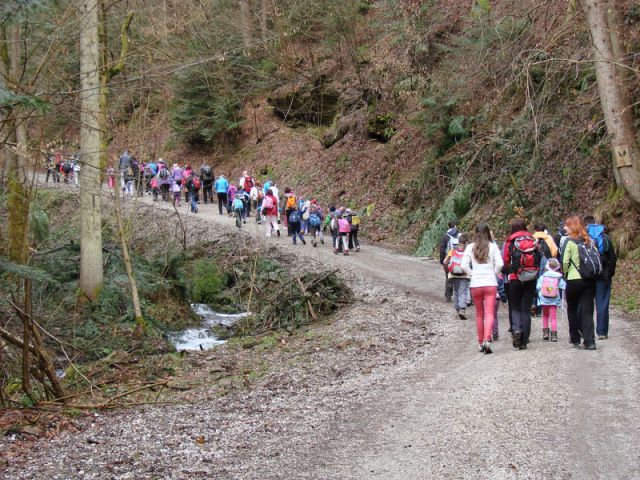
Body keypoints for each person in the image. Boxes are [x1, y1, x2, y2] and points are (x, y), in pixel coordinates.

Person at [462, 223, 504, 353]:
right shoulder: (493, 247)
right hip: (490, 283)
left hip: (476, 284)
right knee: (490, 313)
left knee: (479, 314)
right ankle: (487, 339)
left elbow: (463, 265)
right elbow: (500, 264)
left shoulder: (470, 247)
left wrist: (471, 274)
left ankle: (480, 343)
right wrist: (494, 272)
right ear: (488, 233)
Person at [503, 219, 540, 350]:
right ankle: (524, 341)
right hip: (531, 277)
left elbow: (506, 261)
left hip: (515, 278)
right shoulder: (532, 239)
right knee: (526, 309)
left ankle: (517, 329)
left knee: (515, 308)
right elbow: (539, 257)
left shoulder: (510, 241)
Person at [562, 216, 597, 350]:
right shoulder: (588, 240)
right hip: (589, 279)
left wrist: (565, 274)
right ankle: (590, 341)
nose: (565, 228)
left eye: (567, 225)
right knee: (588, 311)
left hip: (574, 279)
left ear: (572, 227)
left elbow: (565, 262)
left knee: (572, 309)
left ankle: (575, 338)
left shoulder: (569, 242)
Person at [584, 215, 617, 340]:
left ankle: (587, 331)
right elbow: (612, 258)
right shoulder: (605, 238)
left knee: (586, 303)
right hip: (603, 276)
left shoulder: (584, 239)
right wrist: (610, 273)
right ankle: (602, 332)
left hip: (588, 276)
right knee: (602, 303)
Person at [536, 258, 566, 342]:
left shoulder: (543, 276)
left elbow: (538, 287)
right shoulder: (558, 277)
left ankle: (545, 333)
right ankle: (554, 335)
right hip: (553, 300)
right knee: (553, 318)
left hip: (544, 300)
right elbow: (564, 286)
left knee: (545, 316)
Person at [444, 234, 471, 319]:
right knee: (463, 291)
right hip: (464, 274)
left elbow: (445, 261)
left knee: (456, 292)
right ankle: (462, 309)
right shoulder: (468, 251)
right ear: (466, 242)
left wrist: (447, 270)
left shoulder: (453, 250)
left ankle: (457, 310)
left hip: (454, 273)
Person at [439, 220, 459, 302]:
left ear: (448, 226)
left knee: (448, 277)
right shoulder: (460, 235)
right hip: (459, 260)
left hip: (449, 260)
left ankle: (448, 296)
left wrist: (442, 261)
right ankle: (461, 296)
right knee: (460, 278)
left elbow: (442, 250)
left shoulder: (445, 237)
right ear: (455, 226)